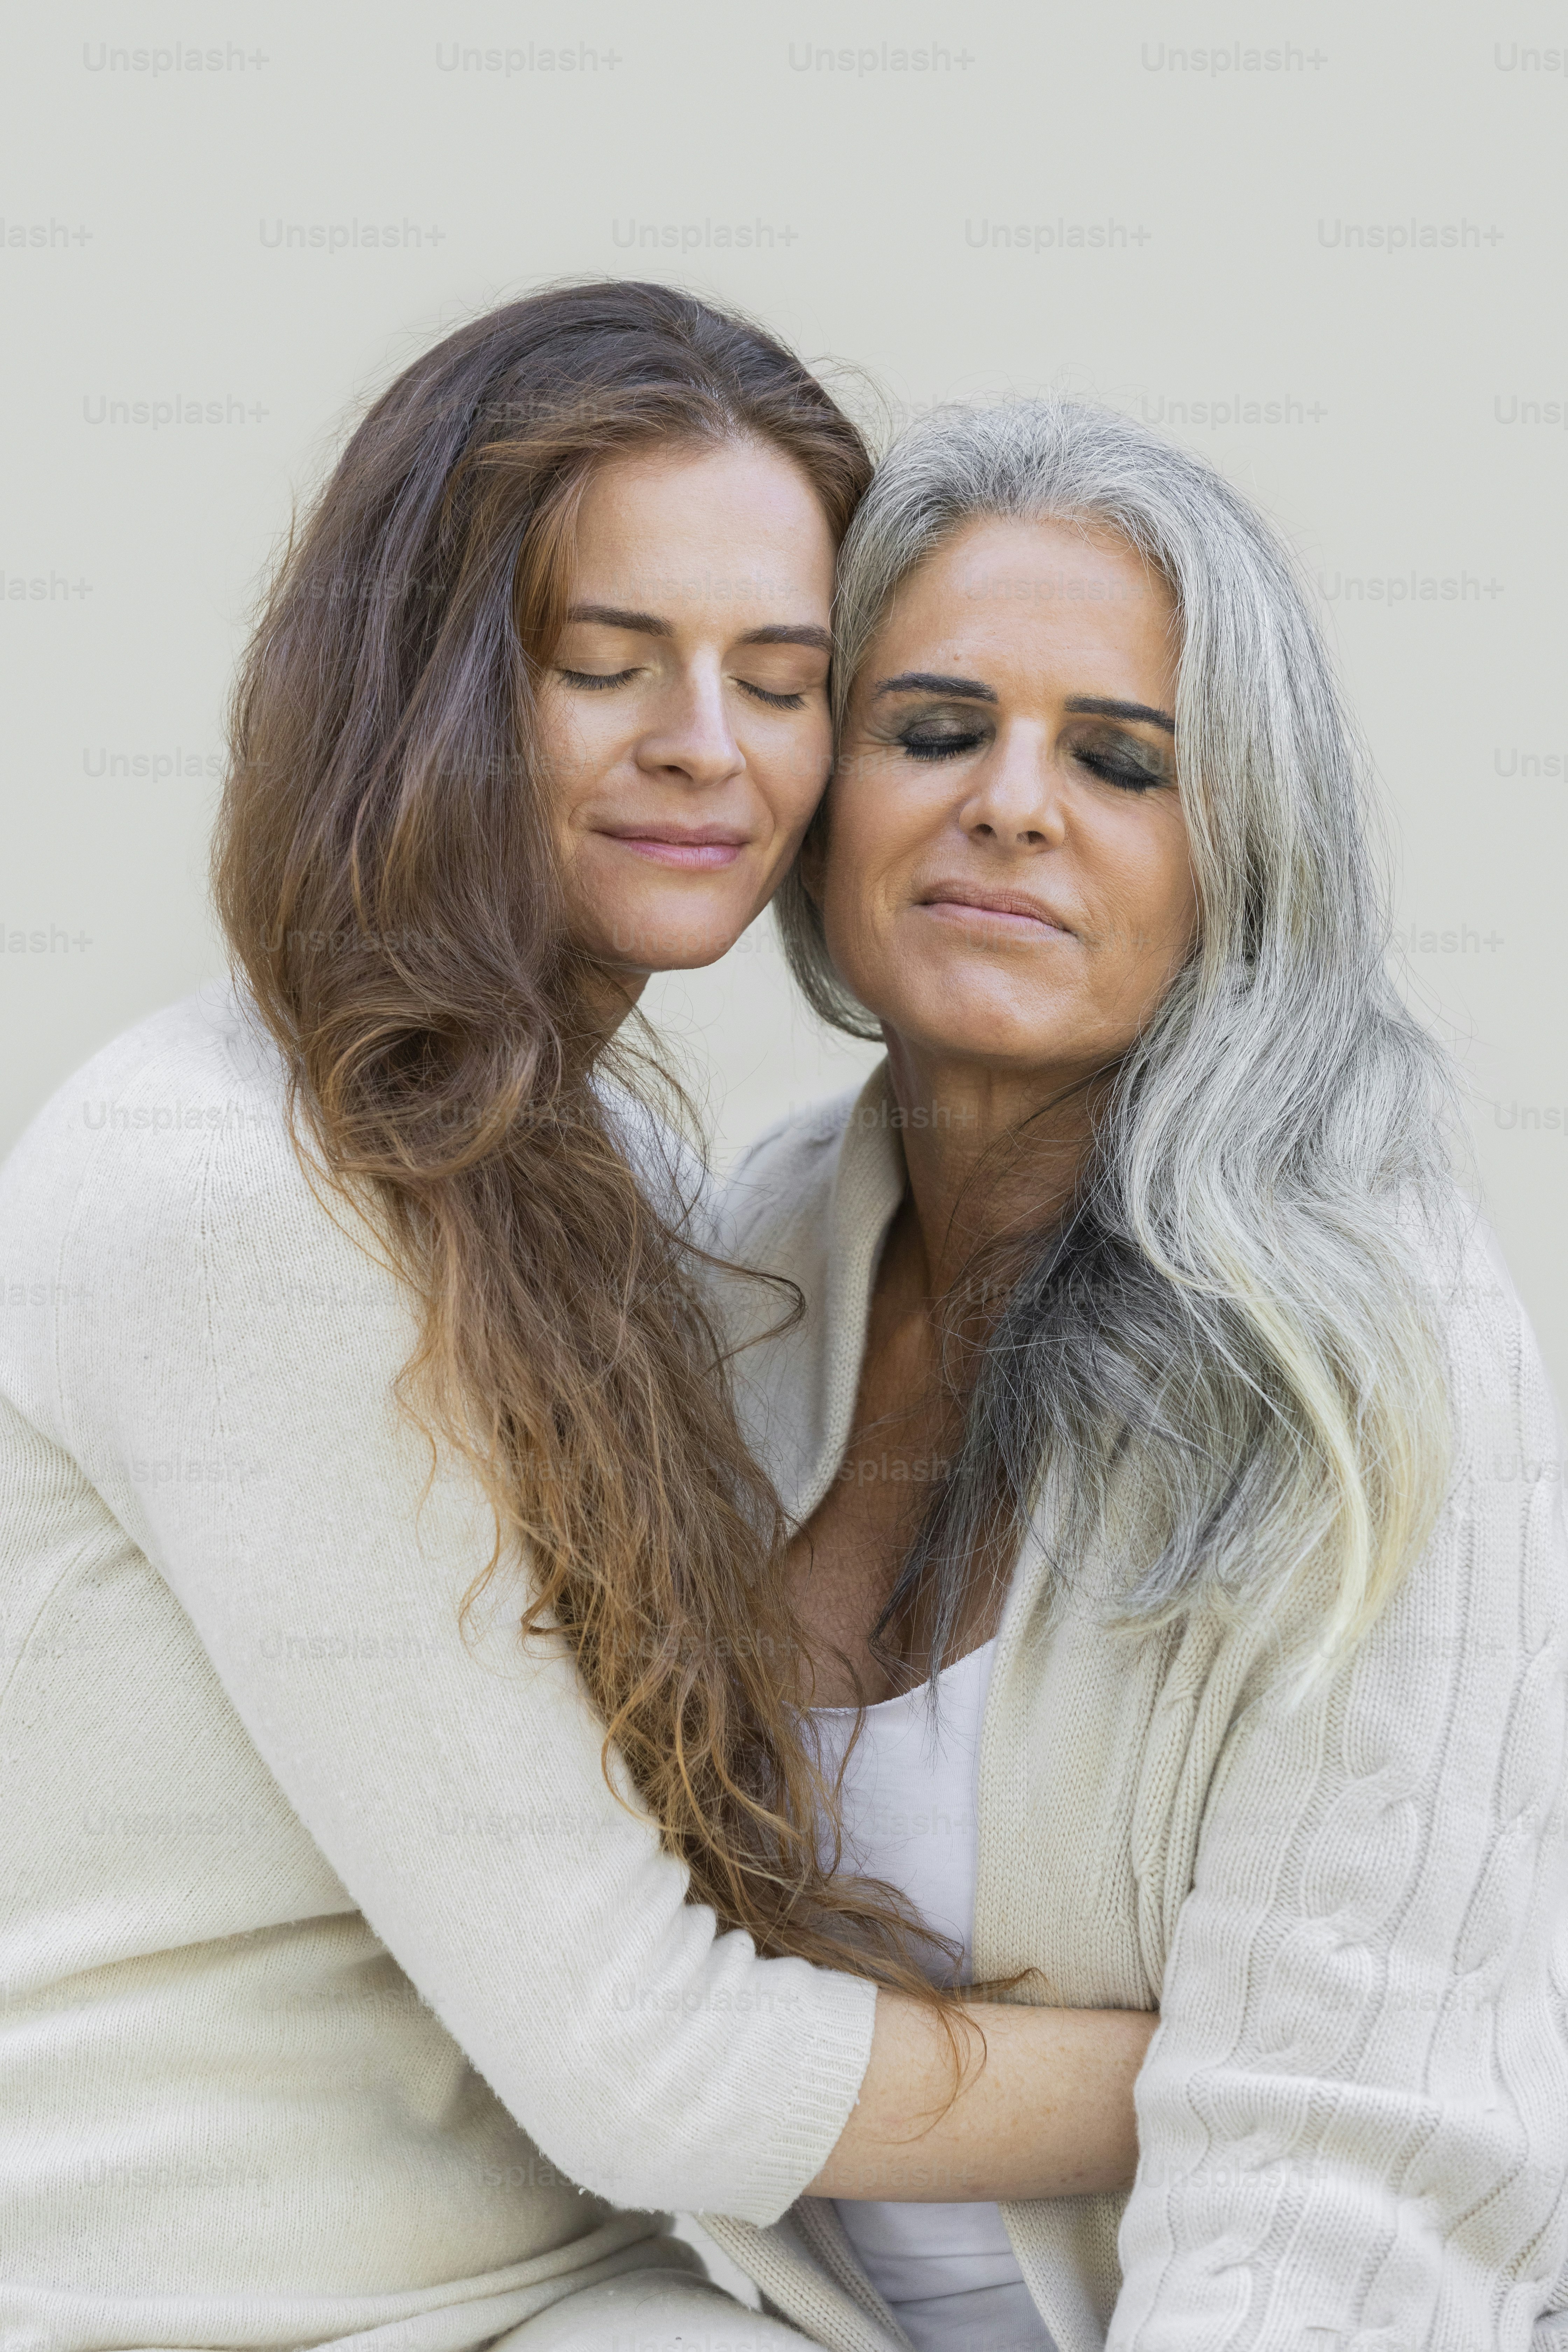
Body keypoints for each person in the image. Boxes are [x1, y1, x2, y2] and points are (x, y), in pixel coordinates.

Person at [0, 292, 1153, 2352]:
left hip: (580, 2285)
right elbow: (651, 2062)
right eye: (602, 664)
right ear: (416, 694)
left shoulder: (609, 1153)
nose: (706, 745)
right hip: (215, 2311)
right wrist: (1353, 2066)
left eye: (785, 681)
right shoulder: (235, 1199)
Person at [711, 398, 1568, 2348]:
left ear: (1241, 863)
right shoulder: (734, 1265)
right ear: (820, 798)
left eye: (1122, 764)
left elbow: (1353, 2154)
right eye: (933, 730)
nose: (1010, 801)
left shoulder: (1370, 1345)